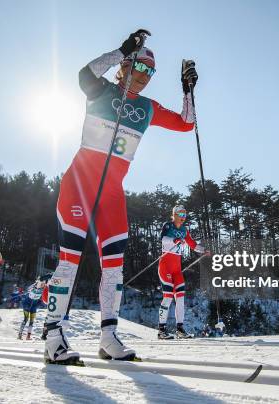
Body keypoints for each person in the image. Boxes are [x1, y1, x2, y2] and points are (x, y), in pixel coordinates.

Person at [43, 28, 198, 365]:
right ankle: (53, 336)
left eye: (148, 72)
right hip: (79, 188)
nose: (142, 77)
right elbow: (84, 74)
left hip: (111, 195)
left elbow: (187, 124)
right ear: (124, 67)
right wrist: (121, 50)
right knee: (69, 263)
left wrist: (188, 89)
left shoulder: (147, 107)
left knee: (114, 269)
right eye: (137, 68)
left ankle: (108, 337)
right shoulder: (100, 90)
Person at [157, 205, 207, 339]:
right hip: (165, 267)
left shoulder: (185, 230)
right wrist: (174, 240)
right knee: (167, 297)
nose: (183, 217)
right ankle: (161, 330)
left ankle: (180, 329)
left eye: (185, 215)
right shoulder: (168, 226)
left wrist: (203, 250)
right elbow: (163, 240)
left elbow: (193, 245)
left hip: (177, 270)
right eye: (180, 214)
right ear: (174, 215)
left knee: (180, 298)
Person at [18, 275, 50, 340]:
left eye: (44, 283)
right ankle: (20, 334)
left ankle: (28, 336)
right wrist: (35, 287)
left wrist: (40, 303)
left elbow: (42, 297)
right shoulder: (35, 286)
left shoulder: (44, 288)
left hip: (33, 306)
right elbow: (29, 289)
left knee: (32, 321)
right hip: (27, 305)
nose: (43, 285)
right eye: (42, 283)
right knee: (26, 319)